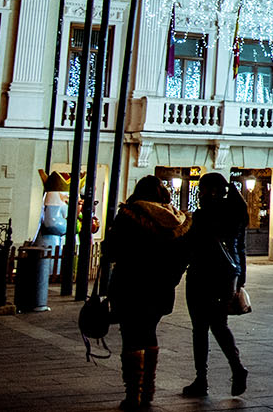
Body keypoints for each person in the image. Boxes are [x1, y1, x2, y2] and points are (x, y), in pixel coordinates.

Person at [103, 175, 190, 411]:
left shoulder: (129, 215)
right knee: (149, 333)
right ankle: (148, 392)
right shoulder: (176, 219)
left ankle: (133, 394)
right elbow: (183, 257)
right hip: (160, 289)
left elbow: (111, 250)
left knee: (131, 337)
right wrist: (170, 280)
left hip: (130, 286)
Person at [181, 173, 249, 398]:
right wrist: (240, 279)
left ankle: (201, 379)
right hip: (226, 279)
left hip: (201, 276)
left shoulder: (204, 215)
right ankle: (236, 367)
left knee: (199, 329)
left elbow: (192, 246)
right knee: (220, 325)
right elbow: (240, 248)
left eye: (201, 190)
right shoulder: (236, 213)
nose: (199, 195)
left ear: (210, 191)